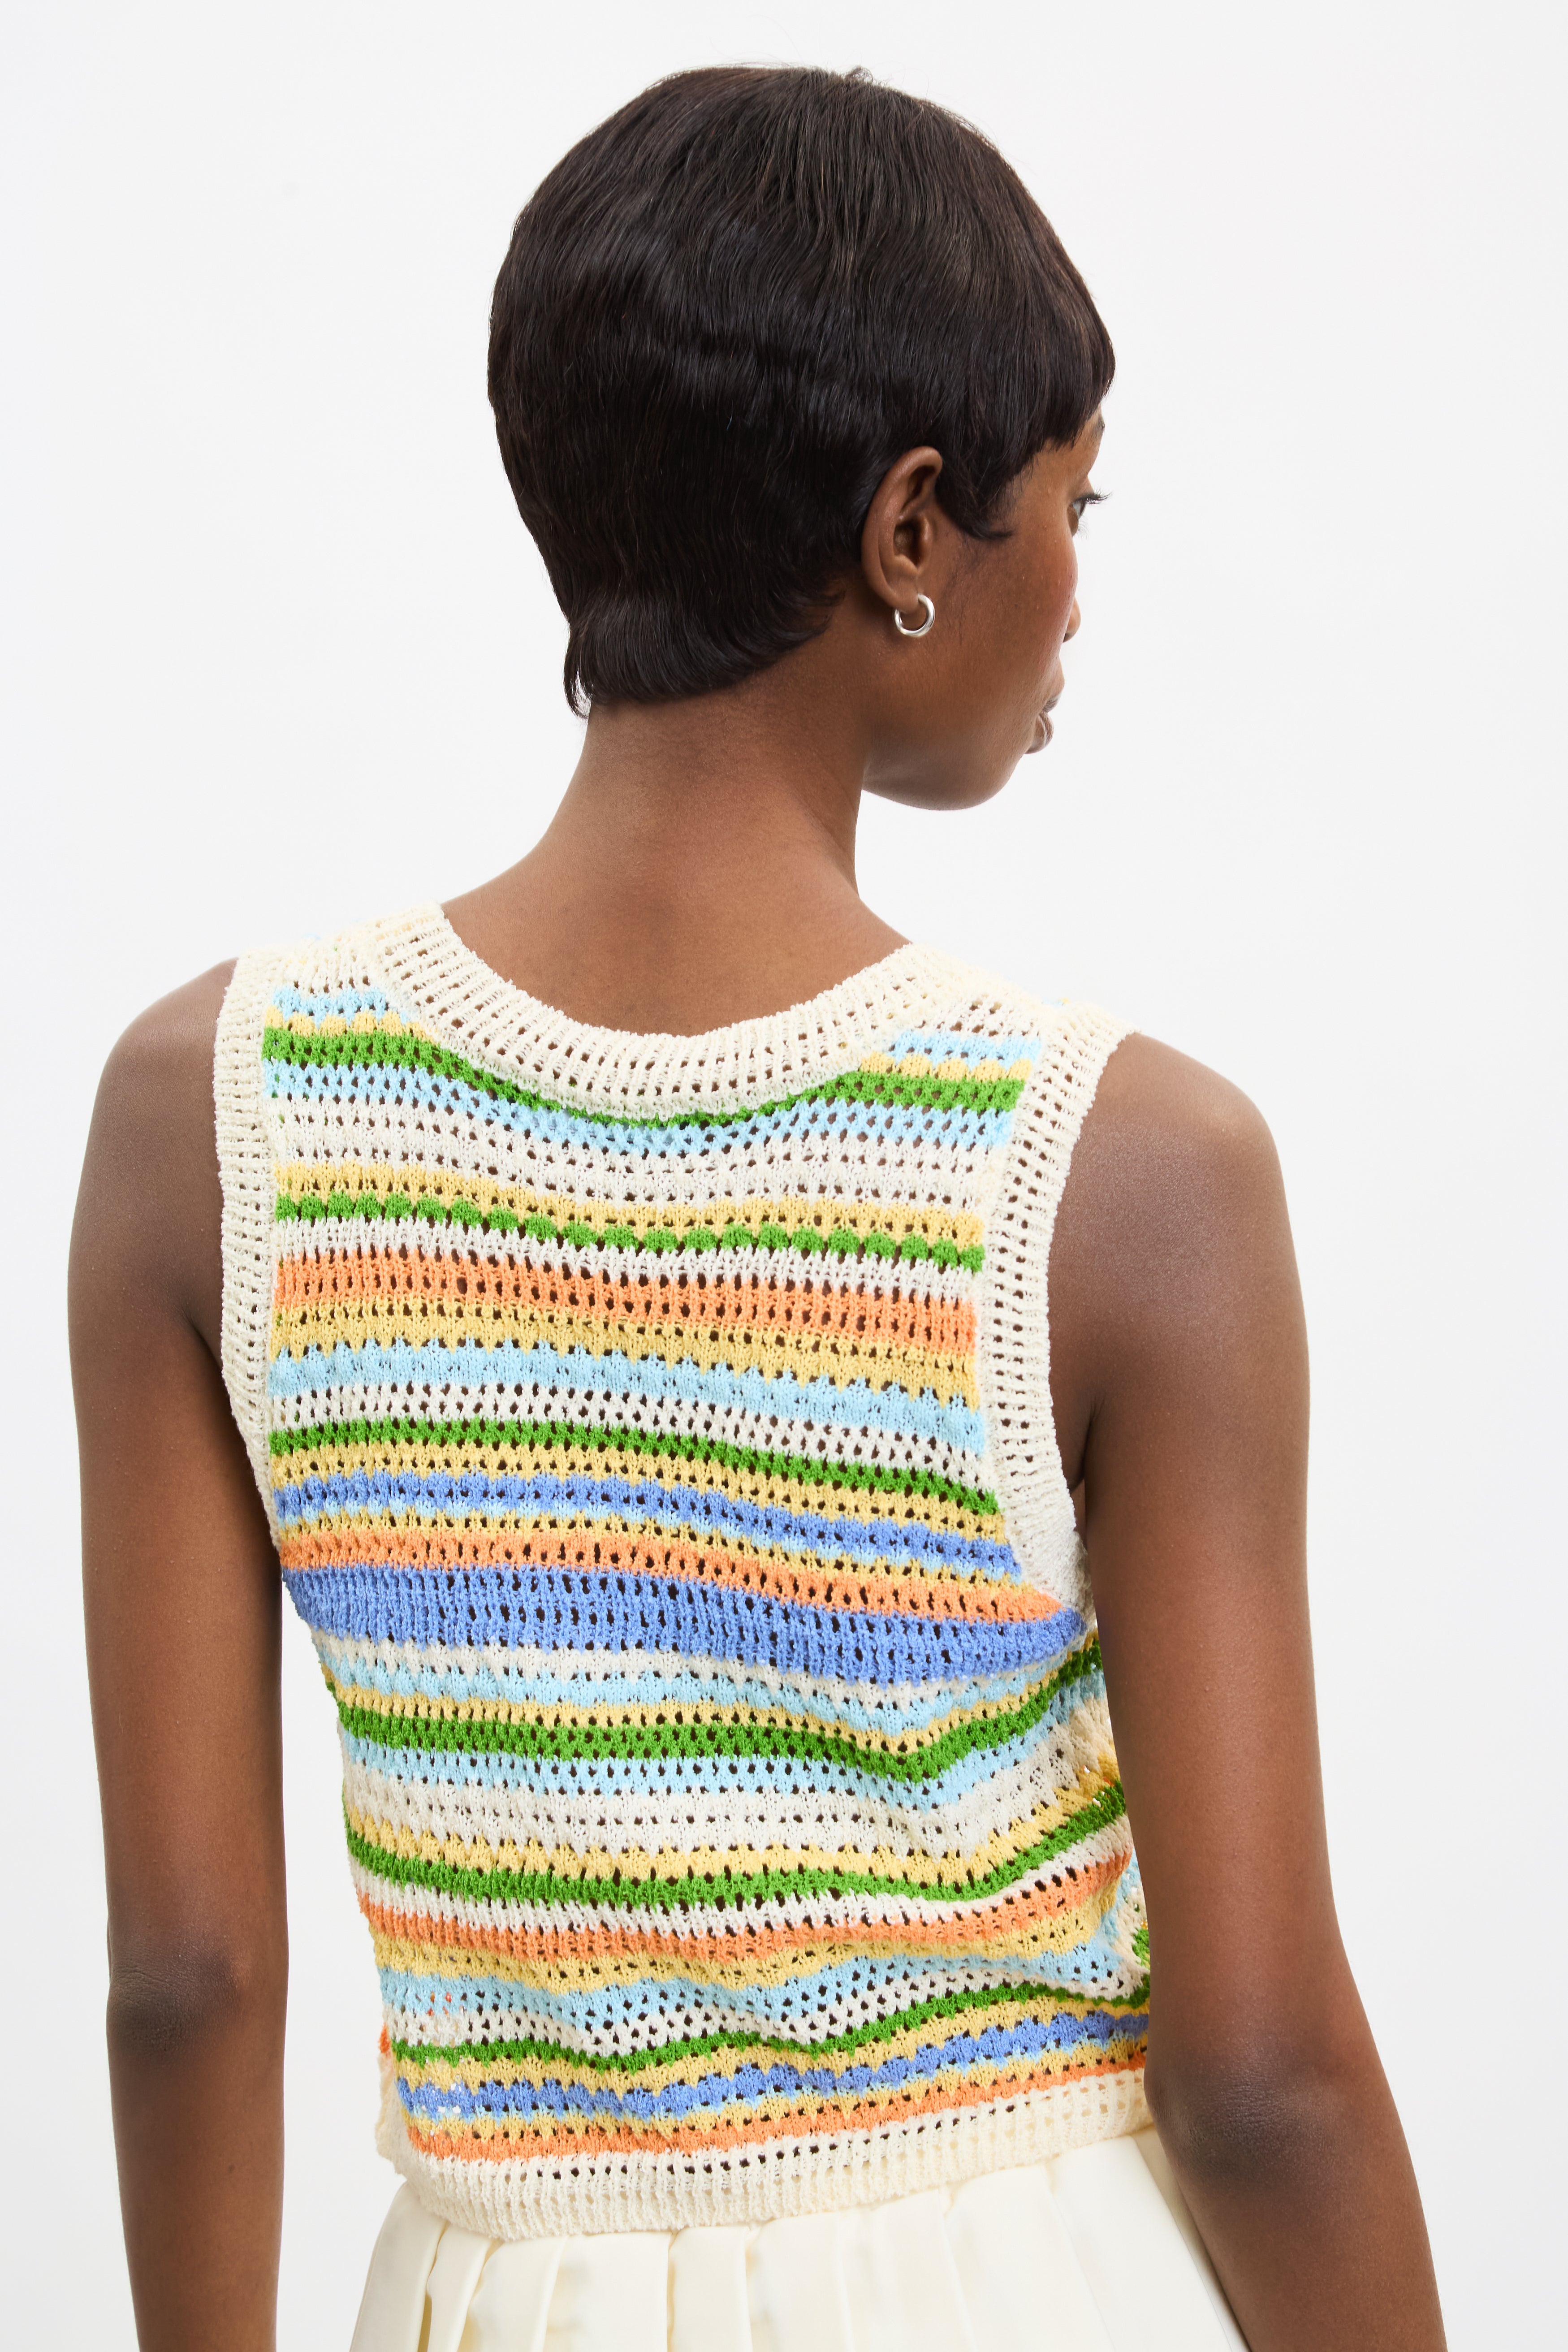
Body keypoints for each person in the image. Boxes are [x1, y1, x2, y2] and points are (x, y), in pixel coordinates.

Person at [70, 63, 1446, 2352]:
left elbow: (188, 1973)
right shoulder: (1115, 1171)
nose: (1077, 590)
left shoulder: (207, 1115)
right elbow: (1258, 2078)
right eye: (1068, 502)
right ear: (911, 529)